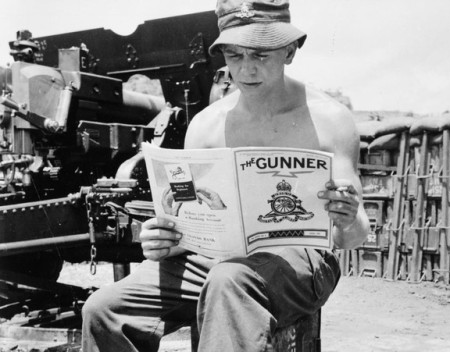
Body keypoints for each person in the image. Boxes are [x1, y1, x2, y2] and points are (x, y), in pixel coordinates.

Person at [81, 1, 369, 351]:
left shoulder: (330, 120)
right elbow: (186, 222)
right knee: (102, 310)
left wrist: (347, 217)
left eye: (261, 55)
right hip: (215, 260)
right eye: (234, 56)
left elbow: (352, 238)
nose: (246, 70)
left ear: (290, 51)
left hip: (303, 260)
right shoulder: (206, 126)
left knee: (228, 280)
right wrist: (163, 238)